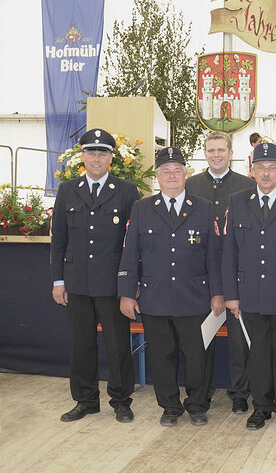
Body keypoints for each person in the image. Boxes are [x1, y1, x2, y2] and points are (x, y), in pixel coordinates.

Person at [118, 147, 223, 427]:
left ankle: (198, 404)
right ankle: (170, 406)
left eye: (178, 170)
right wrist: (127, 293)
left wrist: (217, 293)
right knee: (161, 355)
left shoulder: (203, 208)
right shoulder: (142, 208)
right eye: (166, 171)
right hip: (156, 297)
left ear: (186, 175)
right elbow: (130, 253)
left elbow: (214, 256)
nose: (172, 175)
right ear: (158, 177)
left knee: (198, 356)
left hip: (195, 297)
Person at [221, 143, 276, 431]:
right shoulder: (237, 201)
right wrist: (231, 296)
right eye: (261, 167)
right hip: (249, 294)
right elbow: (229, 253)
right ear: (252, 170)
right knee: (258, 352)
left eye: (272, 167)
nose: (266, 173)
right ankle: (261, 407)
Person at [50, 128, 138, 423]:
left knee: (118, 346)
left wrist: (130, 283)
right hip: (76, 283)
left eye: (102, 153)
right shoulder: (67, 189)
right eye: (91, 152)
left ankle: (121, 400)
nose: (96, 158)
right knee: (81, 346)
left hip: (112, 283)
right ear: (82, 157)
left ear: (111, 158)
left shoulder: (126, 191)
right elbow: (59, 239)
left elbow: (132, 241)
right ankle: (85, 400)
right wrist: (58, 280)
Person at [185, 131, 254, 415]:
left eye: (221, 150)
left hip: (238, 274)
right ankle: (203, 390)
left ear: (230, 152)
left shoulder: (246, 186)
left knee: (240, 340)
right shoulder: (189, 185)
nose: (216, 154)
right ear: (205, 152)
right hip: (200, 275)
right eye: (211, 150)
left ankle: (239, 392)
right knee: (203, 337)